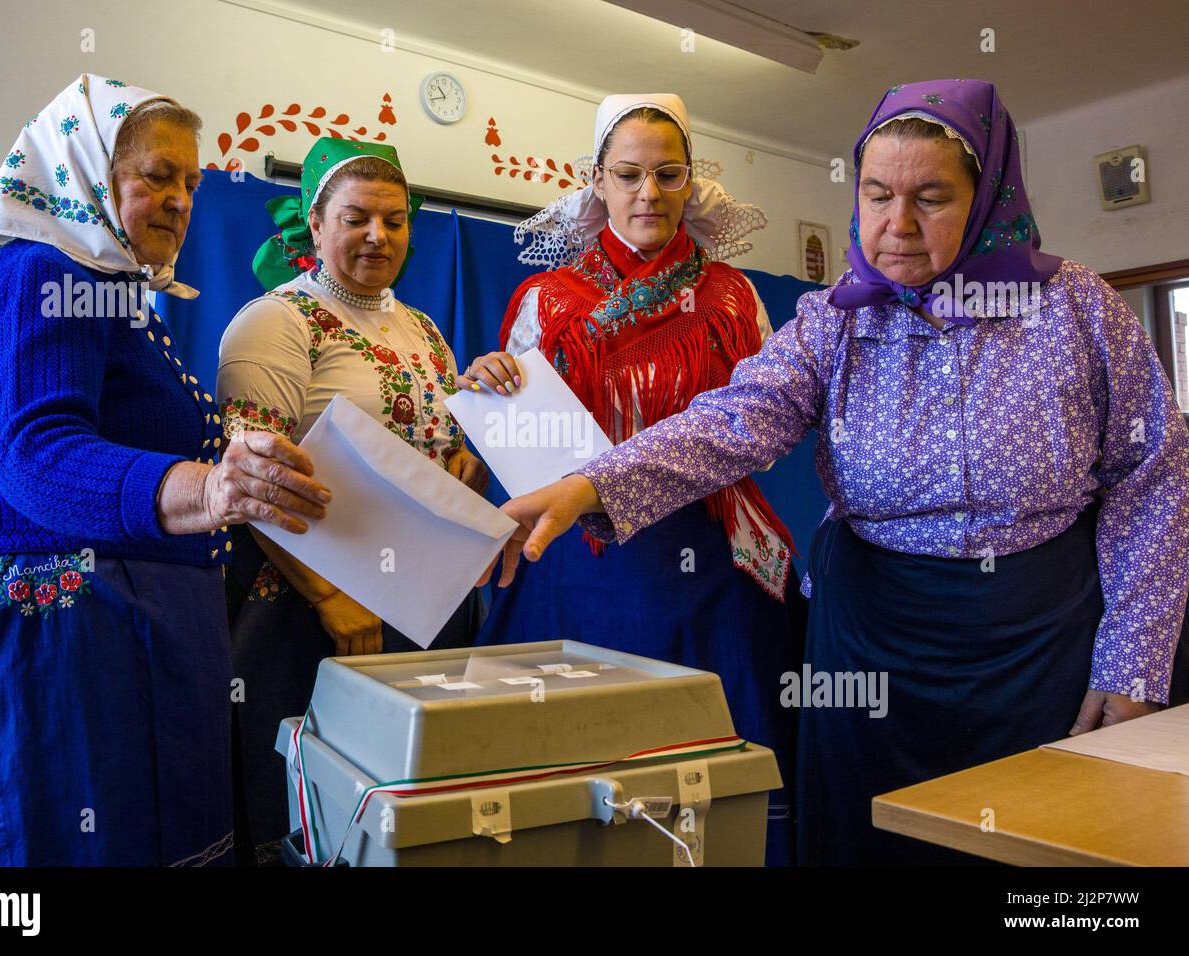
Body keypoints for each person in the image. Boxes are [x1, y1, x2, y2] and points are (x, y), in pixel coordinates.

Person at [479, 79, 1189, 866]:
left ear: (989, 197)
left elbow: (1152, 477)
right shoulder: (835, 319)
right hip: (873, 633)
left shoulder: (1074, 307)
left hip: (1037, 635)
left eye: (932, 197)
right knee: (871, 837)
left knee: (1046, 842)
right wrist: (591, 486)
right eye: (878, 194)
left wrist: (1133, 666)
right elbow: (735, 419)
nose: (898, 225)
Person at [0, 75, 331, 867]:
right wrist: (211, 486)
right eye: (157, 175)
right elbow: (38, 456)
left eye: (192, 182)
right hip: (22, 624)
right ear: (83, 167)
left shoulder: (108, 293)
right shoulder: (38, 275)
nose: (181, 199)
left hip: (88, 623)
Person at [458, 94, 805, 866]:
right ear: (598, 183)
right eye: (629, 174)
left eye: (667, 173)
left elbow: (768, 433)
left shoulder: (734, 296)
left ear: (691, 182)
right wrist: (489, 384)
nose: (648, 192)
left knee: (716, 772)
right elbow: (527, 444)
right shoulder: (544, 300)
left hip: (710, 559)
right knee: (582, 774)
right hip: (583, 558)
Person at [217, 138, 486, 864]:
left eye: (395, 220)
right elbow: (244, 483)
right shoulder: (274, 321)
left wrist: (461, 466)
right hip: (312, 613)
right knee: (310, 818)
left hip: (419, 605)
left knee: (404, 810)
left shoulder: (425, 330)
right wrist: (331, 598)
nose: (379, 236)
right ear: (314, 222)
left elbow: (436, 453)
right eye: (357, 217)